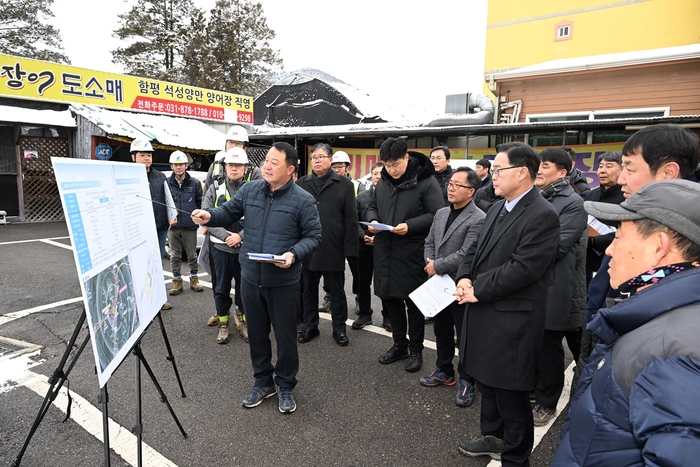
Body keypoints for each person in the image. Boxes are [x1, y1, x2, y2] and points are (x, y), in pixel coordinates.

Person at [552, 179, 700, 466]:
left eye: (619, 237)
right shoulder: (662, 320)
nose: (609, 251)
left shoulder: (673, 354)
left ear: (659, 247)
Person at [191, 142, 322, 414]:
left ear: (290, 169)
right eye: (266, 161)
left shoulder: (303, 200)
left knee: (285, 338)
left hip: (283, 282)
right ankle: (263, 382)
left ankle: (285, 384)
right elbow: (227, 212)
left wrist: (293, 254)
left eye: (275, 162)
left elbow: (314, 237)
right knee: (258, 336)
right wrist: (209, 215)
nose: (268, 166)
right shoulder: (251, 190)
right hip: (250, 278)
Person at [572, 123, 700, 394]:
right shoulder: (637, 222)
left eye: (629, 168)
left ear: (668, 173)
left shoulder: (677, 346)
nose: (621, 179)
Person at [454, 142, 560, 466]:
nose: (492, 176)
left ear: (522, 172)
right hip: (485, 311)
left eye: (498, 170)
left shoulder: (543, 214)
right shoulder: (500, 206)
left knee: (511, 398)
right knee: (488, 385)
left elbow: (524, 268)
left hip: (513, 320)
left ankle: (516, 457)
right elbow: (474, 249)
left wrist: (478, 288)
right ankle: (492, 436)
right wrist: (463, 277)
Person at [366, 137, 443, 373]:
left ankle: (416, 350)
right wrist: (372, 220)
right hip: (385, 250)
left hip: (412, 251)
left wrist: (410, 225)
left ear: (407, 157)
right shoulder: (383, 182)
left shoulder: (426, 182)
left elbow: (437, 214)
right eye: (387, 165)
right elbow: (371, 205)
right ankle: (399, 344)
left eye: (395, 164)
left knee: (414, 303)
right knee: (391, 300)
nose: (391, 170)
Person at [420, 167, 484, 408]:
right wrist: (430, 262)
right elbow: (429, 242)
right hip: (437, 283)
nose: (451, 187)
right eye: (450, 183)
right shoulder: (441, 213)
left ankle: (468, 379)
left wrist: (437, 265)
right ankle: (443, 370)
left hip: (459, 284)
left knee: (464, 335)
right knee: (441, 330)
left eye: (458, 185)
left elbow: (467, 253)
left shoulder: (478, 217)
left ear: (471, 191)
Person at [531, 148, 587, 427]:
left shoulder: (573, 202)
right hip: (531, 283)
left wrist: (522, 251)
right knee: (535, 344)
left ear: (562, 172)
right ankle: (536, 389)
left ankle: (547, 402)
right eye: (538, 165)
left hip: (555, 285)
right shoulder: (535, 197)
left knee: (550, 346)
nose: (539, 170)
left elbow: (560, 245)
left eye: (546, 166)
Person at [296, 143, 358, 346]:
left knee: (337, 291)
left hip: (333, 247)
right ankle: (310, 325)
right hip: (307, 248)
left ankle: (339, 328)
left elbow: (351, 220)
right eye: (314, 157)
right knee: (308, 290)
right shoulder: (302, 184)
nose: (317, 160)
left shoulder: (344, 185)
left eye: (322, 157)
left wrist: (349, 251)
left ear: (330, 160)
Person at [201, 147, 249, 344]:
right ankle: (223, 323)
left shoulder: (254, 190)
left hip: (245, 248)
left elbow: (261, 218)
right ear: (224, 167)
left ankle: (243, 319)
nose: (234, 168)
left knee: (245, 288)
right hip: (220, 249)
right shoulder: (214, 188)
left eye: (238, 165)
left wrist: (240, 236)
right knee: (220, 288)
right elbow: (206, 214)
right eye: (230, 164)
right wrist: (227, 237)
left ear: (246, 168)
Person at [130, 138, 174, 310]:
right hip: (138, 230)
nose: (147, 158)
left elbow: (168, 199)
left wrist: (172, 215)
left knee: (156, 262)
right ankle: (137, 300)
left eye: (149, 155)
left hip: (160, 227)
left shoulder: (161, 176)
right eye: (142, 155)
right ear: (133, 157)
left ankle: (158, 298)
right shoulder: (127, 176)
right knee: (137, 263)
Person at [352, 161, 391, 331]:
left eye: (382, 174)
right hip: (364, 246)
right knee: (363, 282)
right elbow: (353, 222)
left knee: (385, 283)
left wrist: (380, 240)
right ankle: (365, 313)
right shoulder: (361, 197)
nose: (378, 177)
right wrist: (363, 237)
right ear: (371, 176)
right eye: (375, 174)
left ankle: (388, 316)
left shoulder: (392, 198)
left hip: (385, 247)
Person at [582, 151, 625, 284]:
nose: (602, 171)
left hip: (615, 258)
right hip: (588, 258)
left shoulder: (627, 197)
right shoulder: (589, 196)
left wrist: (597, 241)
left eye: (609, 166)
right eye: (600, 166)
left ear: (622, 169)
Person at [166, 150, 204, 295]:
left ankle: (194, 279)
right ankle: (177, 282)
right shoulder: (166, 183)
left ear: (186, 165)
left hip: (190, 226)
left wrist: (200, 218)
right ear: (171, 166)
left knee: (192, 254)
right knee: (174, 255)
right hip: (173, 226)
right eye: (176, 165)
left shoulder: (195, 183)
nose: (179, 167)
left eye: (181, 164)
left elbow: (200, 202)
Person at [330, 150, 361, 314]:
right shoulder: (328, 184)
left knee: (357, 271)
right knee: (331, 271)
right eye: (333, 166)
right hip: (334, 236)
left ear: (347, 168)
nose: (337, 170)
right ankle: (329, 297)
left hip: (352, 235)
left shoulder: (357, 186)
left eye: (340, 166)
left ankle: (359, 297)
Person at [204, 125, 260, 194]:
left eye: (238, 143)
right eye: (231, 142)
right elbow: (205, 195)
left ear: (245, 148)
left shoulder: (254, 172)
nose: (233, 146)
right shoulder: (215, 166)